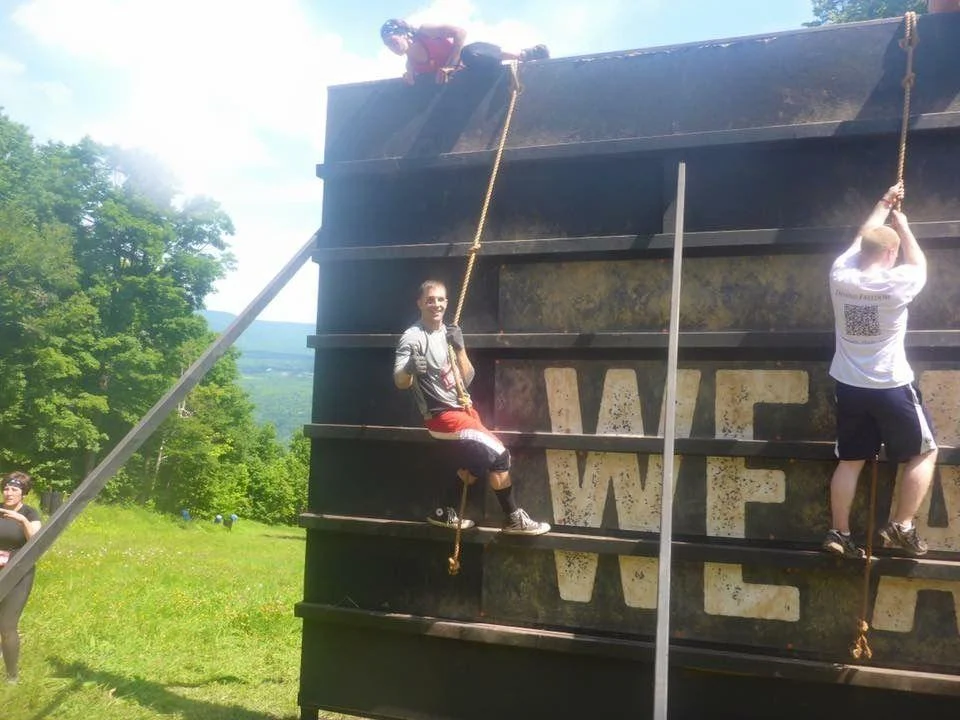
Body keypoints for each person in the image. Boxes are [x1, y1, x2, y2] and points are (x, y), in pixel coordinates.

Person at [822, 183, 937, 559]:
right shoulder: (898, 282)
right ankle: (902, 525)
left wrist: (883, 204)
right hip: (890, 385)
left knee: (850, 461)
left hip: (849, 386)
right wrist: (903, 225)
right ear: (891, 254)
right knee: (924, 453)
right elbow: (919, 263)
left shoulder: (840, 275)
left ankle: (838, 532)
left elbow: (859, 239)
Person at [394, 280, 550, 535]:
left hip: (462, 410)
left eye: (441, 299)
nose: (436, 304)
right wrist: (410, 369)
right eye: (430, 299)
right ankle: (513, 519)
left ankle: (443, 512)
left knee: (476, 464)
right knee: (500, 456)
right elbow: (400, 381)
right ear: (420, 303)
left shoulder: (448, 332)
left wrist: (460, 346)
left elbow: (466, 378)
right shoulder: (412, 337)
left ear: (447, 302)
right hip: (441, 416)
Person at [380, 19, 549, 85]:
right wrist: (408, 75)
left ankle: (524, 55)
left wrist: (451, 65)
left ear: (405, 34)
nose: (390, 46)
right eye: (387, 44)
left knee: (470, 52)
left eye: (392, 41)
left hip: (471, 63)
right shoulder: (411, 63)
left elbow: (460, 32)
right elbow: (411, 67)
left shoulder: (426, 31)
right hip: (463, 82)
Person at [0, 471, 42, 684]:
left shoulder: (30, 513)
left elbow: (36, 542)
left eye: (14, 489)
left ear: (23, 493)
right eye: (6, 488)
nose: (9, 493)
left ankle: (12, 675)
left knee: (7, 626)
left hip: (19, 574)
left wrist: (22, 520)